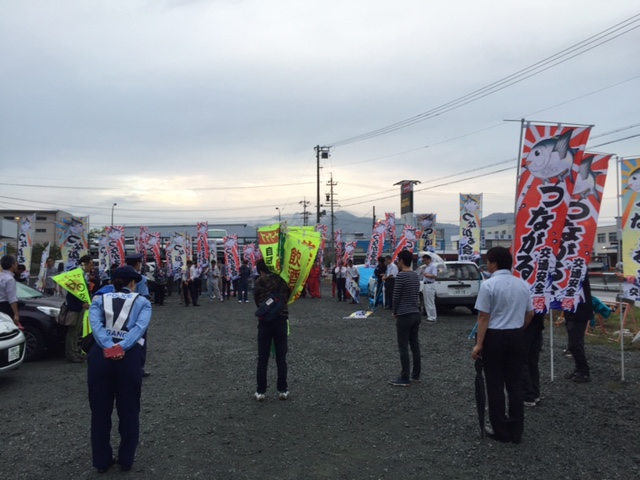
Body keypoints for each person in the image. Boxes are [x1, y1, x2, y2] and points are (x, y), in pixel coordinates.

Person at [87, 265, 152, 473]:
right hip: (128, 356)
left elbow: (95, 327)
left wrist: (109, 346)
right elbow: (139, 329)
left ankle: (102, 461)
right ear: (132, 283)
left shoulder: (99, 299)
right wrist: (121, 347)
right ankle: (126, 460)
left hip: (100, 355)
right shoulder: (142, 302)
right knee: (129, 410)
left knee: (99, 411)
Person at [471, 246, 533, 444]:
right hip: (517, 335)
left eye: (488, 262)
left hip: (495, 337)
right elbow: (530, 313)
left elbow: (483, 317)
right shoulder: (522, 284)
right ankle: (516, 431)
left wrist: (479, 344)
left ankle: (501, 430)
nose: (487, 265)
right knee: (515, 384)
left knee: (495, 384)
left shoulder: (488, 285)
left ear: (494, 263)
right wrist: (518, 329)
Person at [253, 259, 291, 401]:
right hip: (281, 320)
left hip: (265, 322)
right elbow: (288, 296)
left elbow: (257, 301)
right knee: (281, 358)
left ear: (261, 271)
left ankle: (261, 392)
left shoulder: (259, 282)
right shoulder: (282, 280)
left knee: (262, 358)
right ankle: (283, 390)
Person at [388, 250, 422, 387]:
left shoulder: (401, 276)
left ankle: (404, 377)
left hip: (404, 314)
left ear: (402, 261)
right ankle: (416, 375)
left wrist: (394, 311)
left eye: (398, 260)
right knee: (415, 344)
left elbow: (396, 297)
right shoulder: (415, 275)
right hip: (416, 313)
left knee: (403, 346)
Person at [564, 276, 593, 383]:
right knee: (574, 344)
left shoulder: (580, 271)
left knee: (574, 344)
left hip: (580, 312)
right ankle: (579, 369)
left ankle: (584, 372)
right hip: (570, 310)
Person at [65, 255, 94, 363]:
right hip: (75, 307)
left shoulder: (83, 274)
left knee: (77, 331)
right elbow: (73, 293)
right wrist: (81, 304)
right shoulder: (76, 274)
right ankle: (71, 353)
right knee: (73, 331)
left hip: (80, 306)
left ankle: (75, 351)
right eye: (91, 264)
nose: (92, 267)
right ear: (85, 264)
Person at [522, 312, 544, 407]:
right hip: (537, 324)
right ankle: (535, 394)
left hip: (526, 324)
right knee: (533, 362)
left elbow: (530, 313)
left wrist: (522, 326)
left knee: (522, 361)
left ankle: (528, 396)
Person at [0, 255, 21, 327]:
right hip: (6, 307)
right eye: (16, 263)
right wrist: (16, 314)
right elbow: (12, 299)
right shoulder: (10, 279)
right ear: (13, 265)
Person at [420, 254, 438, 322]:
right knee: (426, 301)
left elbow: (434, 275)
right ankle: (429, 316)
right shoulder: (426, 267)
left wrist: (426, 275)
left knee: (430, 301)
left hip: (430, 284)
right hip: (425, 284)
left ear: (429, 259)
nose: (424, 261)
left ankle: (433, 317)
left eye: (425, 260)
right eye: (423, 260)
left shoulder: (433, 266)